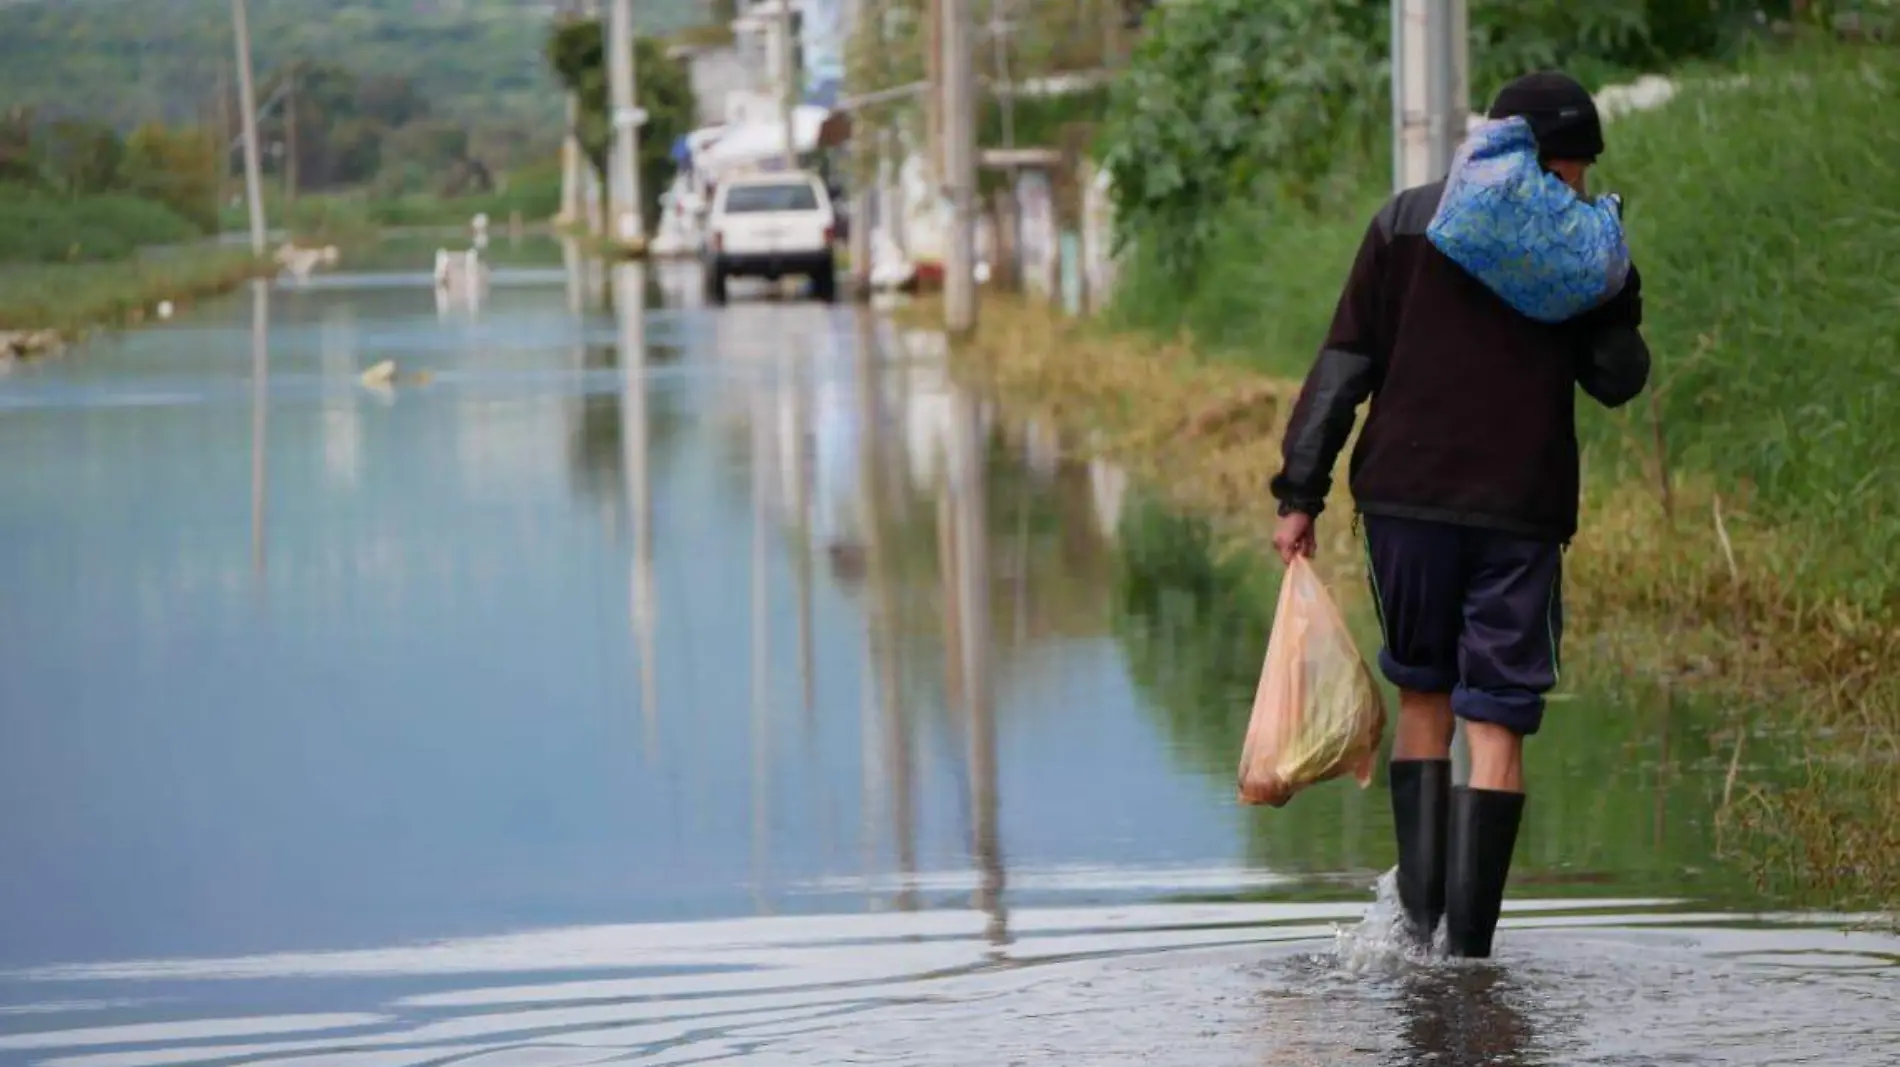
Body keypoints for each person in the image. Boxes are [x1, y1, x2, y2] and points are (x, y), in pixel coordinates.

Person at [1266, 72, 1651, 958]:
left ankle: (1417, 937)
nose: (1580, 184)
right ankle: (1468, 961)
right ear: (1548, 155)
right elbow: (1618, 379)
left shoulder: (1406, 220)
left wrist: (1300, 492)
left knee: (1425, 699)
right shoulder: (1578, 247)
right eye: (1575, 164)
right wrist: (1614, 296)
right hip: (1518, 509)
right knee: (1498, 722)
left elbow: (1345, 363)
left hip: (1406, 499)